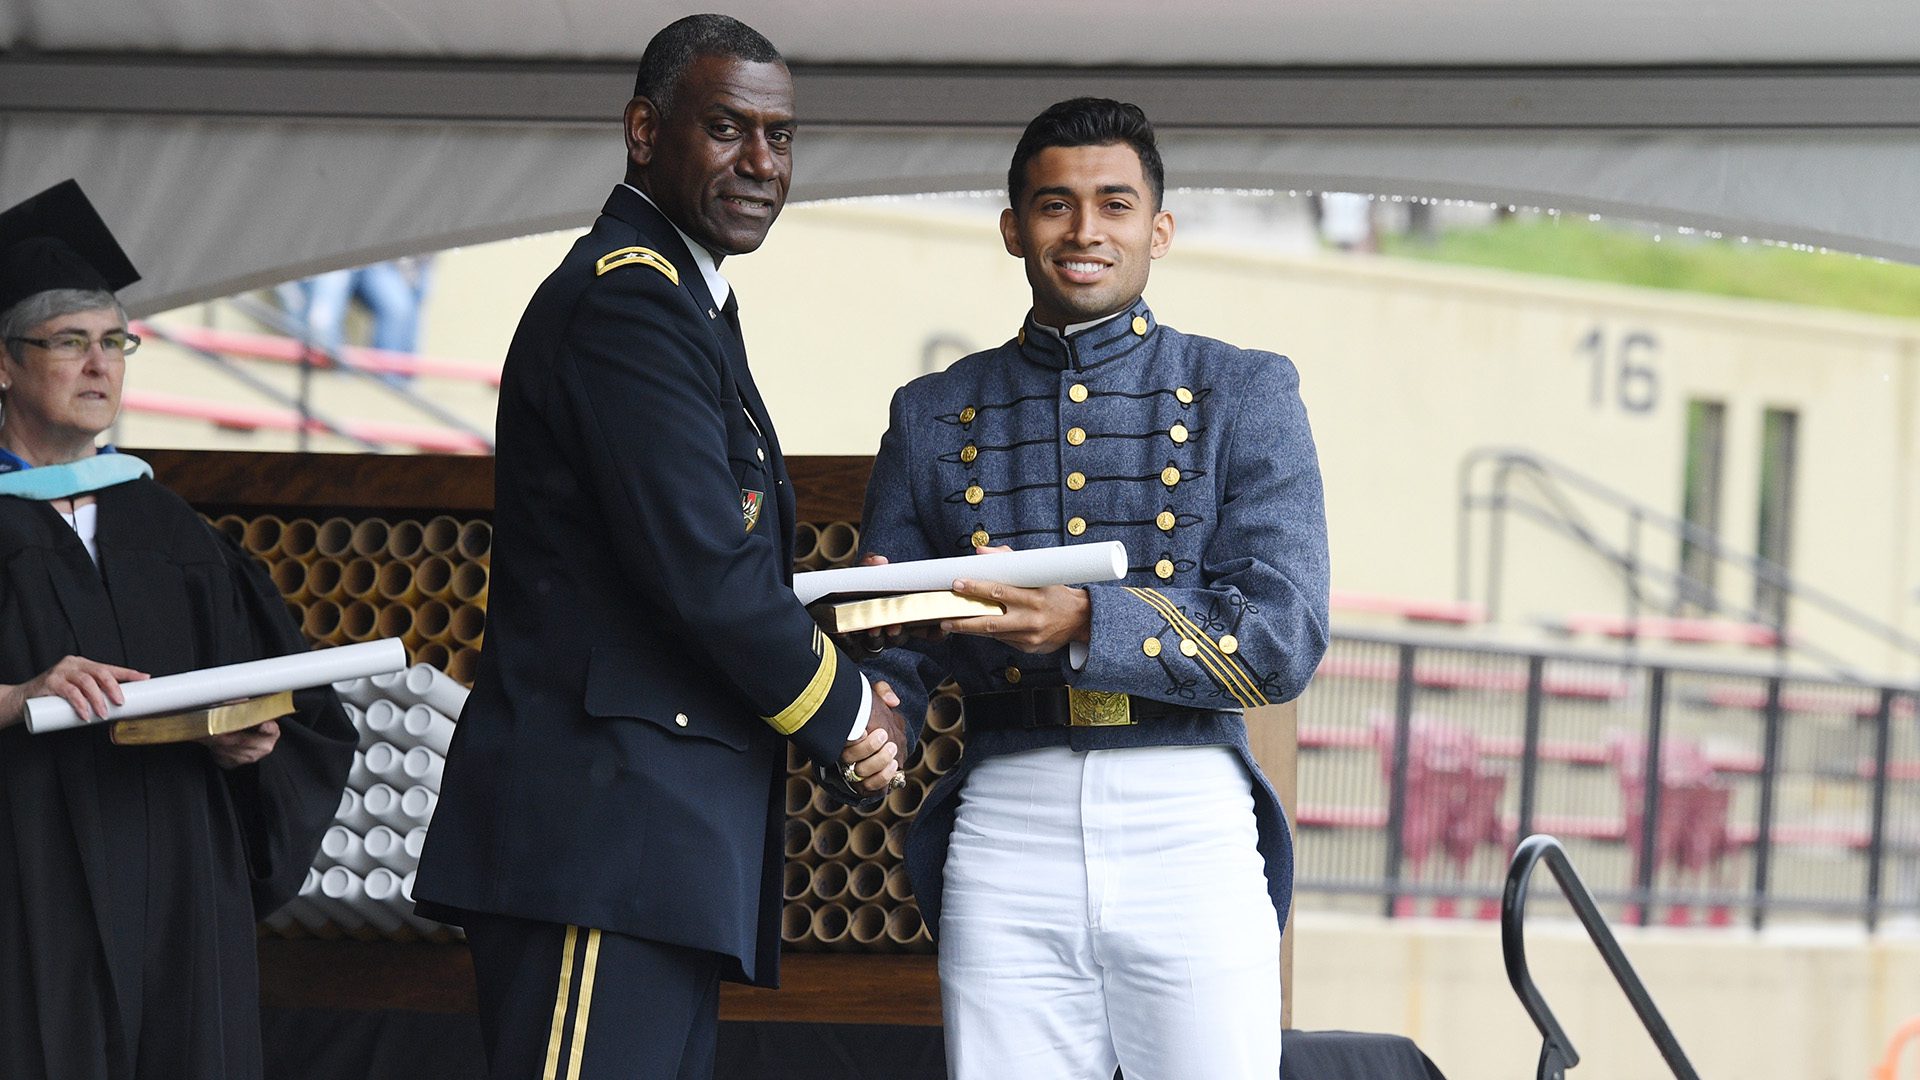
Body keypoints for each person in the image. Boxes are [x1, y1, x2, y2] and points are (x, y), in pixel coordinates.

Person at [414, 15, 907, 1080]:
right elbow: (701, 573)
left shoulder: (685, 301)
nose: (763, 165)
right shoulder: (631, 301)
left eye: (782, 138)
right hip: (604, 840)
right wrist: (850, 711)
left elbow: (685, 563)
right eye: (728, 129)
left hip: (651, 847)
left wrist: (826, 616)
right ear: (644, 129)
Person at [856, 98, 1330, 1079]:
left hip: (1186, 809)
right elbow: (902, 647)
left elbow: (1284, 635)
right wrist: (884, 698)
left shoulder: (1242, 389)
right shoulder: (932, 412)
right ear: (1012, 227)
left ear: (1158, 228)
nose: (1083, 231)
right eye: (1054, 205)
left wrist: (1086, 622)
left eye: (1114, 205)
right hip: (1006, 810)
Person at [0, 179, 357, 1079]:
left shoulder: (176, 533)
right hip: (24, 902)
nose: (100, 366)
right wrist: (16, 696)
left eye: (114, 342)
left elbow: (301, 715)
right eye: (70, 344)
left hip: (182, 911)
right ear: (2, 364)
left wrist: (254, 746)